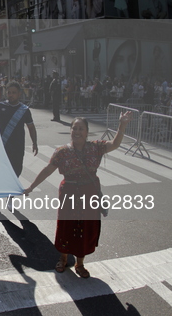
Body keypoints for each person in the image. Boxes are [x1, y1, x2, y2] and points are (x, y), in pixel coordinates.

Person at [24, 112, 133, 278]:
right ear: (70, 131)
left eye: (81, 129)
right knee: (66, 227)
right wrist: (31, 186)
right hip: (69, 193)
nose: (77, 131)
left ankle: (80, 263)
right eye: (74, 128)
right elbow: (47, 170)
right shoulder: (61, 152)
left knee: (85, 229)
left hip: (89, 195)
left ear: (87, 132)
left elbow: (114, 144)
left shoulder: (96, 147)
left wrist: (122, 125)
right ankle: (63, 259)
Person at [0, 82, 38, 211]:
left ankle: (10, 199)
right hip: (1, 146)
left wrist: (35, 143)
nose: (11, 95)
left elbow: (31, 127)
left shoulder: (24, 110)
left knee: (14, 174)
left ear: (19, 94)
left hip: (17, 147)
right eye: (9, 92)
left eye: (13, 92)